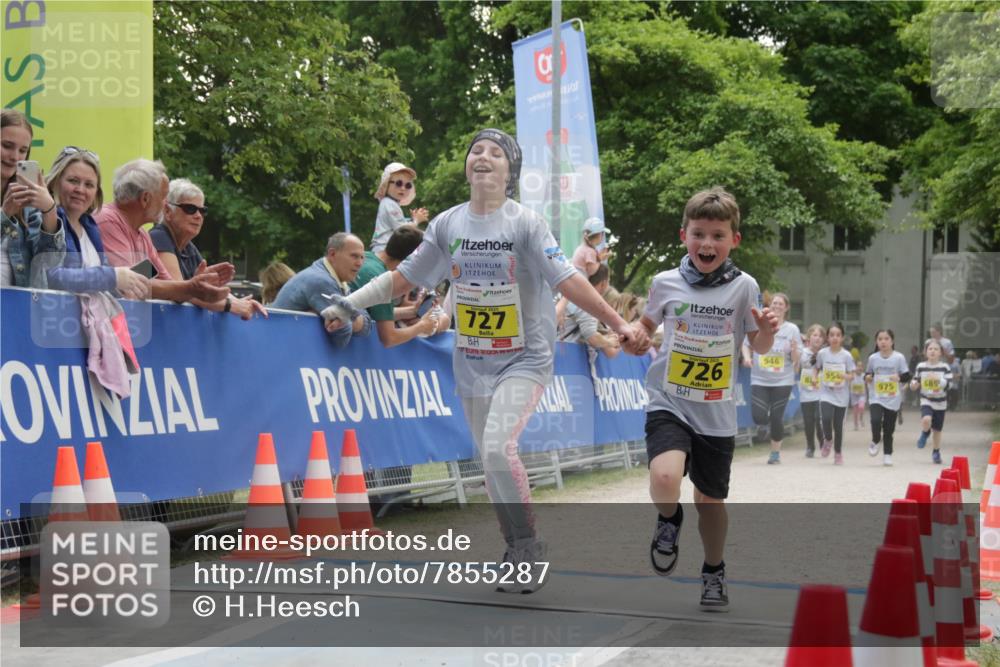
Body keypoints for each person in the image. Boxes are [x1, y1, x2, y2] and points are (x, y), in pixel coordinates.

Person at [320, 128, 647, 593]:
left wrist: (620, 323)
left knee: (497, 447)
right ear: (467, 165)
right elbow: (401, 279)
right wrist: (349, 304)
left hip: (526, 358)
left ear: (509, 171)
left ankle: (529, 547)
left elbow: (570, 280)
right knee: (489, 461)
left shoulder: (527, 224)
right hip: (471, 360)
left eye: (496, 153)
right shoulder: (449, 224)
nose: (484, 157)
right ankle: (515, 545)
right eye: (476, 150)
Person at [636, 187, 778, 612]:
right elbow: (644, 327)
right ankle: (668, 519)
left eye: (718, 235)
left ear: (734, 239)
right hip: (669, 399)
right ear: (684, 236)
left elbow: (762, 345)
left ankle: (713, 570)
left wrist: (767, 327)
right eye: (699, 234)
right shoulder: (664, 282)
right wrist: (633, 336)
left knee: (710, 501)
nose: (707, 244)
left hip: (715, 412)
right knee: (665, 478)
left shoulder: (744, 287)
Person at [95, 159, 231, 304]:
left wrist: (195, 285)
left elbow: (169, 286)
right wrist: (191, 287)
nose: (166, 204)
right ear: (145, 199)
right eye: (164, 196)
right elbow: (129, 287)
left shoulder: (142, 235)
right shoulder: (108, 221)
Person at [42, 147, 150, 300]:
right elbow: (48, 276)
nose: (80, 190)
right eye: (73, 181)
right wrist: (113, 277)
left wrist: (124, 287)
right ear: (55, 183)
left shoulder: (91, 227)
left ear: (96, 193)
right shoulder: (46, 220)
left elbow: (105, 284)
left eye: (89, 185)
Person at [150, 178, 265, 319]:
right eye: (190, 209)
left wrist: (242, 302)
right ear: (168, 211)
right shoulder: (158, 237)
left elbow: (206, 290)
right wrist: (233, 305)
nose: (198, 216)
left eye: (202, 210)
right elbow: (180, 291)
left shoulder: (188, 248)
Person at [350, 225, 449, 348]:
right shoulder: (383, 282)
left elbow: (376, 312)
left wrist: (412, 311)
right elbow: (389, 338)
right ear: (412, 261)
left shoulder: (366, 258)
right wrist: (422, 326)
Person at [272, 232, 372, 348]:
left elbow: (368, 324)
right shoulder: (321, 281)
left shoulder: (340, 280)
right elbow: (341, 338)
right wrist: (351, 316)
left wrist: (349, 316)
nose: (360, 263)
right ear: (332, 254)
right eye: (354, 256)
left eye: (362, 257)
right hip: (281, 347)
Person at [1, 109, 64, 287]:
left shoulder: (26, 201)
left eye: (23, 150)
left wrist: (49, 210)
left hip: (17, 308)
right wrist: (4, 215)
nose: (14, 157)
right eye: (6, 145)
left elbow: (48, 264)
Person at [741, 292, 801, 464]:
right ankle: (764, 426)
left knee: (777, 416)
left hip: (783, 380)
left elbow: (797, 358)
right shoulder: (759, 324)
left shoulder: (792, 330)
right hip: (760, 378)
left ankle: (775, 453)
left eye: (781, 304)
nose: (777, 306)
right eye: (774, 303)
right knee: (758, 416)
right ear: (770, 306)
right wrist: (746, 358)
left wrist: (794, 350)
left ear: (786, 308)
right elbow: (746, 344)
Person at [864, 329, 910, 466]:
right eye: (880, 339)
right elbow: (868, 374)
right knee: (875, 420)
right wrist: (867, 377)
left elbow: (907, 375)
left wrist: (899, 377)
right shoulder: (873, 358)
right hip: (876, 396)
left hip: (893, 397)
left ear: (892, 341)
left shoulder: (899, 357)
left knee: (889, 427)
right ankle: (876, 439)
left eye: (886, 339)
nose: (883, 342)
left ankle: (888, 454)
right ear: (876, 342)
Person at [812, 322, 855, 464]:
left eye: (838, 335)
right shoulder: (823, 353)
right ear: (827, 338)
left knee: (838, 425)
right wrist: (814, 378)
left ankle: (838, 452)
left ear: (842, 337)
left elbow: (852, 375)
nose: (835, 338)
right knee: (825, 418)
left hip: (841, 395)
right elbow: (816, 368)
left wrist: (845, 377)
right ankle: (828, 439)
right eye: (832, 335)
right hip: (826, 393)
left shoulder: (846, 356)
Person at [557, 264, 621, 358]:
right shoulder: (588, 302)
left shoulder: (572, 294)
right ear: (603, 283)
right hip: (564, 359)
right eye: (609, 281)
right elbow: (592, 337)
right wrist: (610, 342)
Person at [370, 162, 429, 254]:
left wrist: (412, 219)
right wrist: (416, 220)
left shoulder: (389, 203)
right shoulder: (389, 204)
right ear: (387, 184)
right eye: (399, 183)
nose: (403, 188)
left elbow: (398, 224)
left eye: (408, 185)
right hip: (385, 249)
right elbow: (403, 230)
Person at [911, 339, 953, 464]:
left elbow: (950, 385)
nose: (933, 351)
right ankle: (925, 432)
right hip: (926, 399)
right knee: (926, 419)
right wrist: (913, 385)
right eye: (930, 349)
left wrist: (938, 380)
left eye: (936, 349)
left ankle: (936, 451)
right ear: (925, 352)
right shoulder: (921, 367)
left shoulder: (945, 367)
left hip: (940, 402)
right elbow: (915, 381)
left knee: (937, 430)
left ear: (941, 353)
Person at [798, 324, 826, 457]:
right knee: (808, 421)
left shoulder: (826, 353)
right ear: (809, 337)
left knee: (819, 418)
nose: (817, 338)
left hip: (821, 392)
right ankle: (810, 446)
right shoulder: (802, 352)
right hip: (806, 392)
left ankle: (822, 443)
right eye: (815, 335)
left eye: (820, 336)